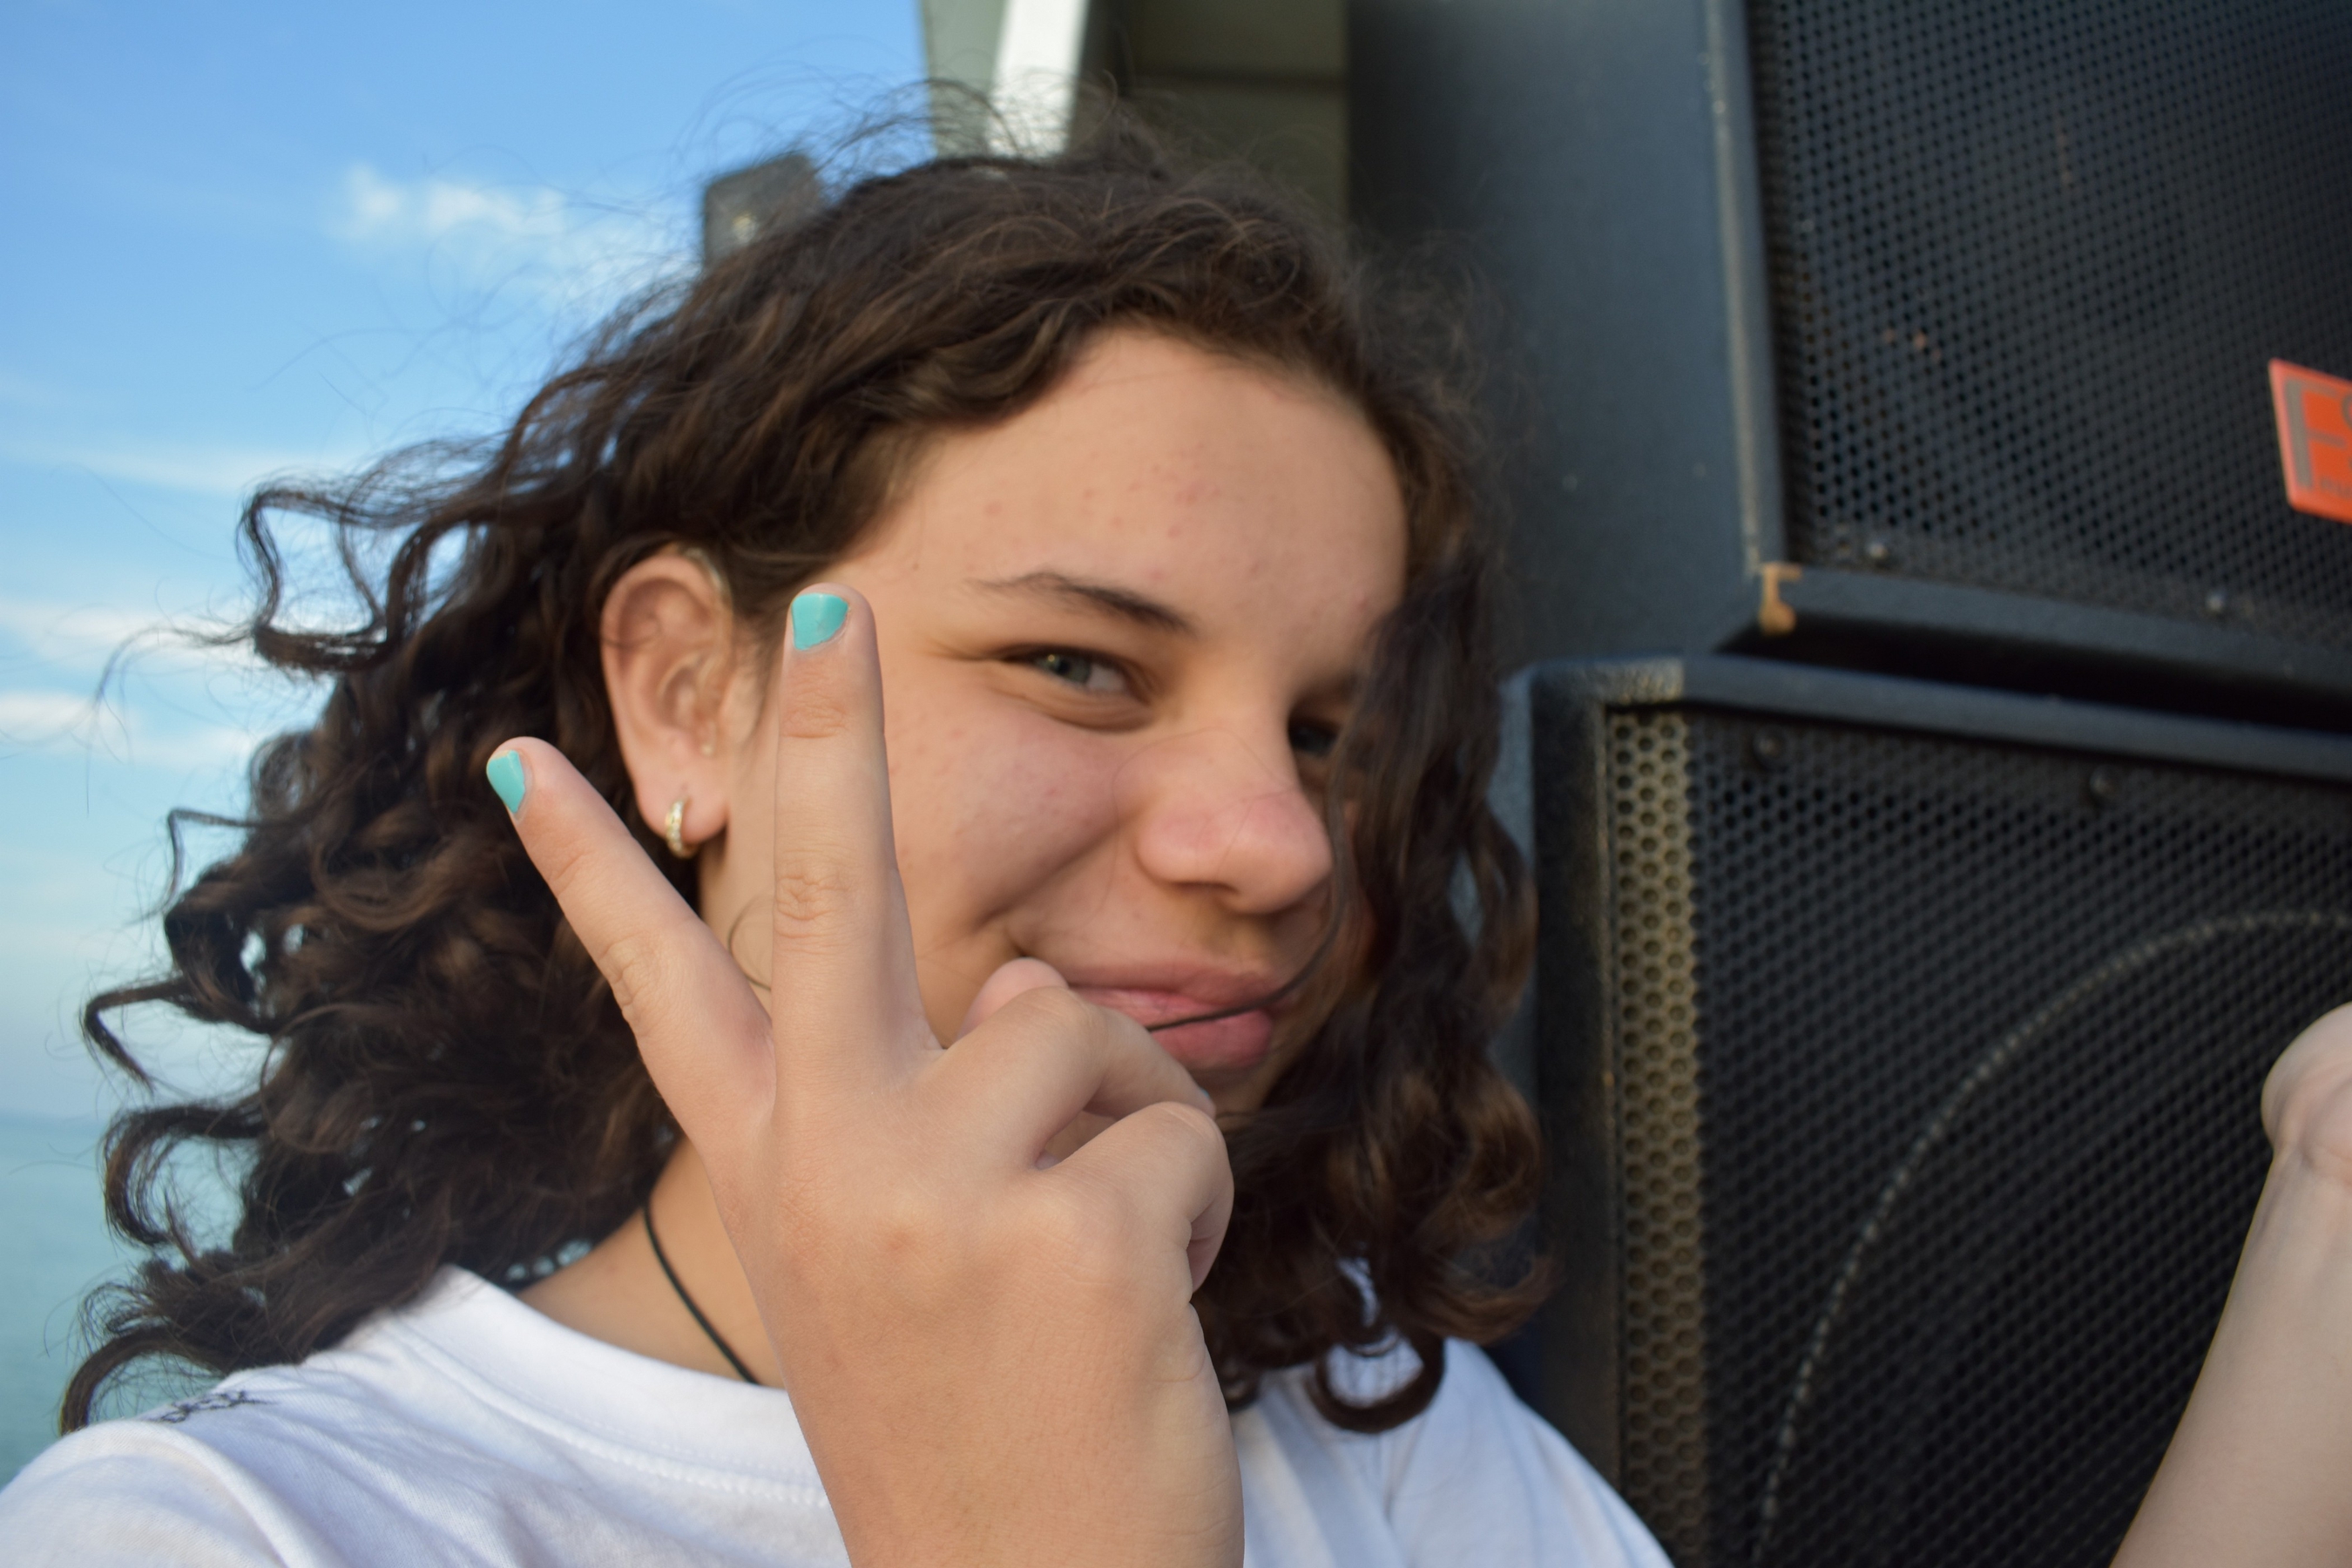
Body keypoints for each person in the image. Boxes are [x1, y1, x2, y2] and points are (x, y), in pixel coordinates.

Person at [6, 117, 2352, 1568]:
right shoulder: (231, 1539)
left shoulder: (1366, 1429)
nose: (1280, 847)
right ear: (686, 695)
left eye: (1326, 726)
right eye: (1079, 664)